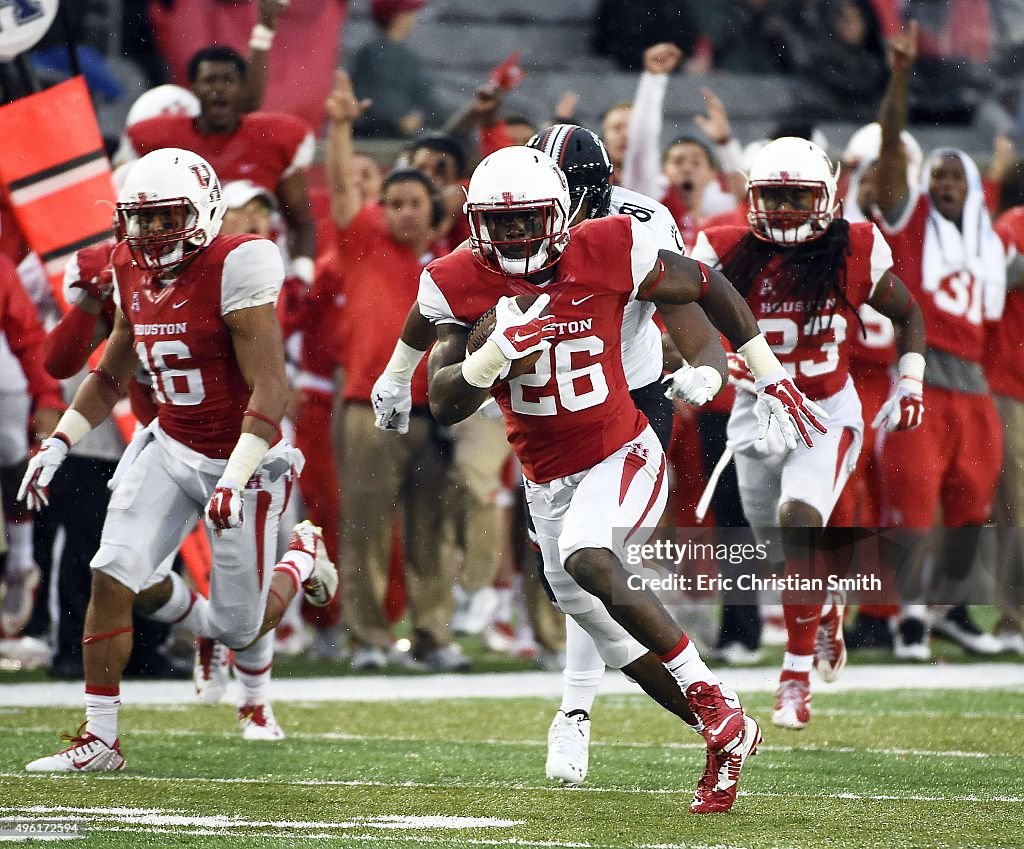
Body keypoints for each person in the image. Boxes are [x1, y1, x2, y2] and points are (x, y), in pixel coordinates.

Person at [419, 144, 829, 814]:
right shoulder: (458, 278)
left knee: (589, 554)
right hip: (544, 476)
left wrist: (765, 367)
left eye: (530, 219)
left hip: (621, 449)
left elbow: (706, 284)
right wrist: (489, 356)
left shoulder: (611, 244)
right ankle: (723, 730)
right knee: (614, 638)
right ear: (475, 223)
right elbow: (442, 400)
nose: (518, 236)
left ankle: (709, 698)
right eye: (503, 223)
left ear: (561, 212)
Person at [18, 149, 337, 771]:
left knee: (241, 628)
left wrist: (237, 477)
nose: (154, 233)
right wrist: (57, 444)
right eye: (143, 219)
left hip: (243, 459)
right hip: (169, 443)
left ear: (202, 213)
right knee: (112, 573)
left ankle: (301, 559)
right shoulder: (126, 266)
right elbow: (110, 374)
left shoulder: (237, 265)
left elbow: (271, 388)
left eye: (168, 218)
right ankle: (101, 738)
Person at [692, 136, 926, 729]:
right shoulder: (722, 246)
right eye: (776, 195)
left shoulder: (856, 249)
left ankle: (795, 675)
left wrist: (911, 378)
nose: (788, 208)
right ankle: (823, 610)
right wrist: (704, 363)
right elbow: (683, 319)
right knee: (780, 550)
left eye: (800, 195)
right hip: (755, 411)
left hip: (824, 413)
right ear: (753, 196)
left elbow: (907, 312)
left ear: (826, 196)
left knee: (801, 525)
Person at [325, 73, 466, 671]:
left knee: (432, 528)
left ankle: (434, 634)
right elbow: (338, 188)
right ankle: (369, 639)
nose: (402, 212)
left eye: (414, 202)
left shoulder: (454, 260)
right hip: (369, 405)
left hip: (433, 409)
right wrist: (339, 127)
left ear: (436, 210)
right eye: (393, 203)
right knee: (366, 528)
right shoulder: (365, 241)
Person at [873, 22, 1005, 659]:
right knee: (914, 507)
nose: (948, 183)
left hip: (974, 383)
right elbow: (893, 147)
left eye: (959, 176)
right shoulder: (909, 215)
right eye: (941, 175)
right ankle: (908, 619)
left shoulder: (984, 238)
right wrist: (900, 77)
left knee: (971, 506)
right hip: (923, 375)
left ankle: (950, 609)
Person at [115, 45, 317, 289]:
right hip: (181, 271)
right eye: (209, 80)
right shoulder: (161, 138)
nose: (219, 89)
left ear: (242, 88)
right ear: (193, 88)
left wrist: (303, 274)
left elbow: (301, 218)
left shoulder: (273, 139)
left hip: (255, 271)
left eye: (228, 80)